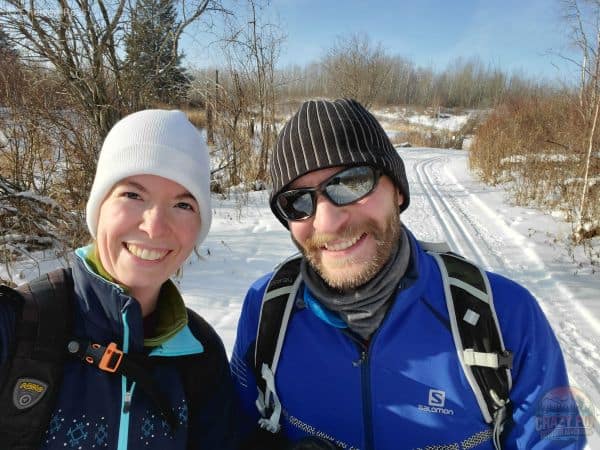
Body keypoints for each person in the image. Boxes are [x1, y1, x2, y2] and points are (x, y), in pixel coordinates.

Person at [231, 99, 586, 449]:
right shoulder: (267, 309)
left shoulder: (506, 315)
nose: (327, 221)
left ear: (398, 190)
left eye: (351, 182)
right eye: (297, 201)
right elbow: (234, 433)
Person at [0, 109, 237, 449]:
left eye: (183, 204)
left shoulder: (199, 354)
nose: (154, 226)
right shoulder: (17, 327)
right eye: (133, 195)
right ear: (99, 208)